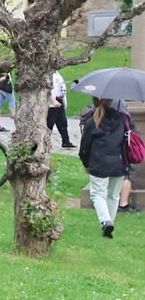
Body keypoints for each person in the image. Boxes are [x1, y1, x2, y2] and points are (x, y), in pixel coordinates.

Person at [79, 97, 130, 238]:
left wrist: (86, 163)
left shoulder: (92, 121)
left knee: (97, 194)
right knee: (113, 195)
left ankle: (106, 221)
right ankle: (109, 224)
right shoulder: (121, 119)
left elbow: (84, 147)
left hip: (99, 163)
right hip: (119, 162)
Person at [47, 70, 73, 148]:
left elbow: (62, 88)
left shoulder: (57, 74)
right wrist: (53, 101)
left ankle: (66, 141)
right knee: (50, 123)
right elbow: (48, 90)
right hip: (51, 102)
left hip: (59, 99)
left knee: (62, 122)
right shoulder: (48, 74)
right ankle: (45, 141)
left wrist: (64, 102)